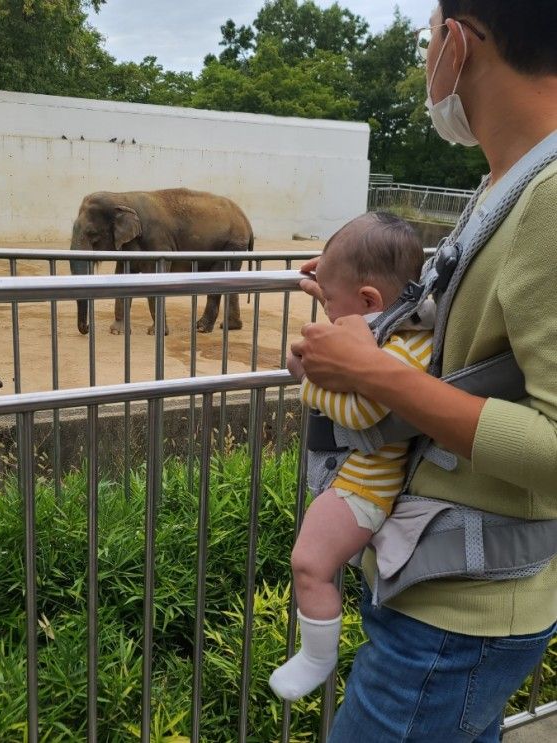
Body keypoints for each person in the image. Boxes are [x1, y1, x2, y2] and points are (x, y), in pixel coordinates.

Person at [289, 2, 557, 740]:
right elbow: (471, 341)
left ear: (456, 44)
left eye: (425, 39)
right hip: (447, 593)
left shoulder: (547, 197)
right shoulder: (508, 183)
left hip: (454, 621)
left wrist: (375, 375)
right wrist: (352, 301)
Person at [269, 212, 433, 701]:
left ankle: (318, 656)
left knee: (309, 563)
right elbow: (362, 319)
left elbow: (365, 413)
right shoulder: (396, 327)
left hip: (366, 488)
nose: (328, 314)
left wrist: (307, 384)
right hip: (361, 479)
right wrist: (333, 284)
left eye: (331, 304)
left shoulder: (405, 349)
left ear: (368, 302)